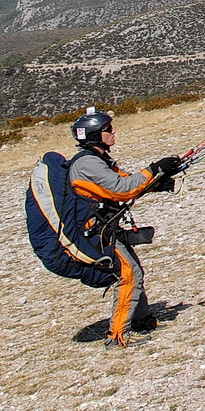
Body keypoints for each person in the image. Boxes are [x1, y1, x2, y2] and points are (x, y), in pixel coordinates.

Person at [66, 108, 182, 347]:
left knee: (134, 270)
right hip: (98, 233)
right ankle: (116, 336)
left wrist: (157, 182)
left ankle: (141, 320)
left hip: (106, 228)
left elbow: (126, 181)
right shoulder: (88, 163)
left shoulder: (99, 160)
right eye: (108, 129)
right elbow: (123, 189)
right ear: (96, 135)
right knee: (129, 275)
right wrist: (154, 169)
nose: (114, 132)